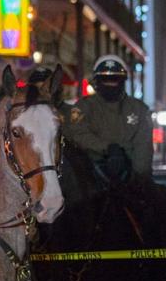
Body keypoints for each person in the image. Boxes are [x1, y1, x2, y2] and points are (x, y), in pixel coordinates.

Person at [65, 54, 153, 184]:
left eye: (115, 79)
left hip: (131, 180)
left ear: (123, 81)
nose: (110, 84)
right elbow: (77, 133)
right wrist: (107, 148)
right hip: (90, 178)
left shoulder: (139, 110)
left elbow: (143, 149)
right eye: (105, 80)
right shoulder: (82, 107)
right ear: (96, 82)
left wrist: (137, 177)